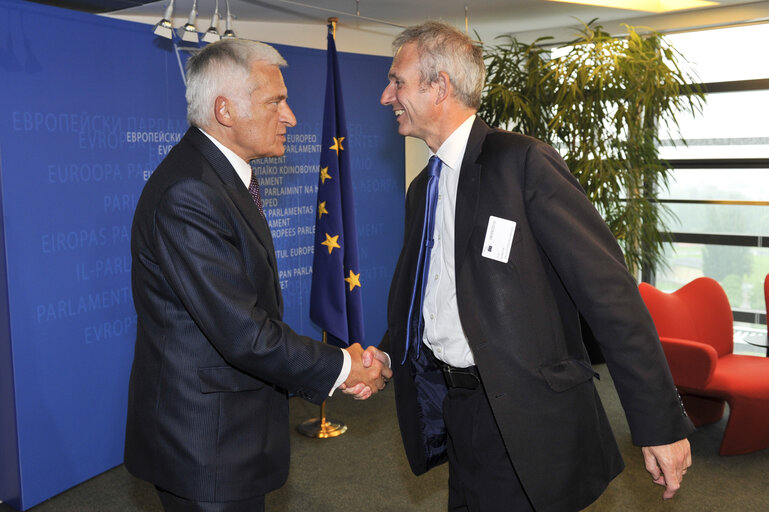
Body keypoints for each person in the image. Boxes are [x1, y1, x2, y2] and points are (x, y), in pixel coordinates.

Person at [376, 21, 694, 512]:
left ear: (438, 87)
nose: (385, 95)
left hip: (527, 417)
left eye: (397, 81)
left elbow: (611, 296)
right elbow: (428, 294)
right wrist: (381, 359)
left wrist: (659, 425)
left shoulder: (522, 163)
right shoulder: (426, 187)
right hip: (460, 410)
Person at [124, 38, 390, 512]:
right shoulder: (191, 193)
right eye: (275, 102)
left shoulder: (221, 178)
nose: (289, 116)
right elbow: (245, 333)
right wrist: (346, 366)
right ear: (224, 111)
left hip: (230, 436)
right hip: (205, 447)